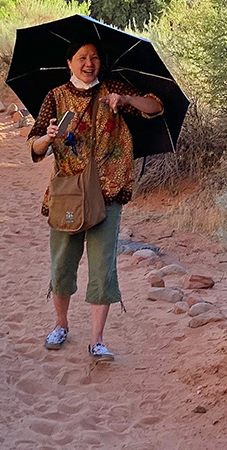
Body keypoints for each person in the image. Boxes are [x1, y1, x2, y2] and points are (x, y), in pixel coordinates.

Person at [28, 41, 163, 361]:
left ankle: (97, 340)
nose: (89, 63)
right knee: (62, 264)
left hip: (108, 192)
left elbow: (155, 107)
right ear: (69, 63)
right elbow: (35, 149)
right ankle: (61, 325)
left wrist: (126, 98)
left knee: (102, 268)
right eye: (82, 58)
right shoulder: (56, 96)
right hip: (68, 193)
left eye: (95, 58)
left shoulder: (113, 90)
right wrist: (48, 137)